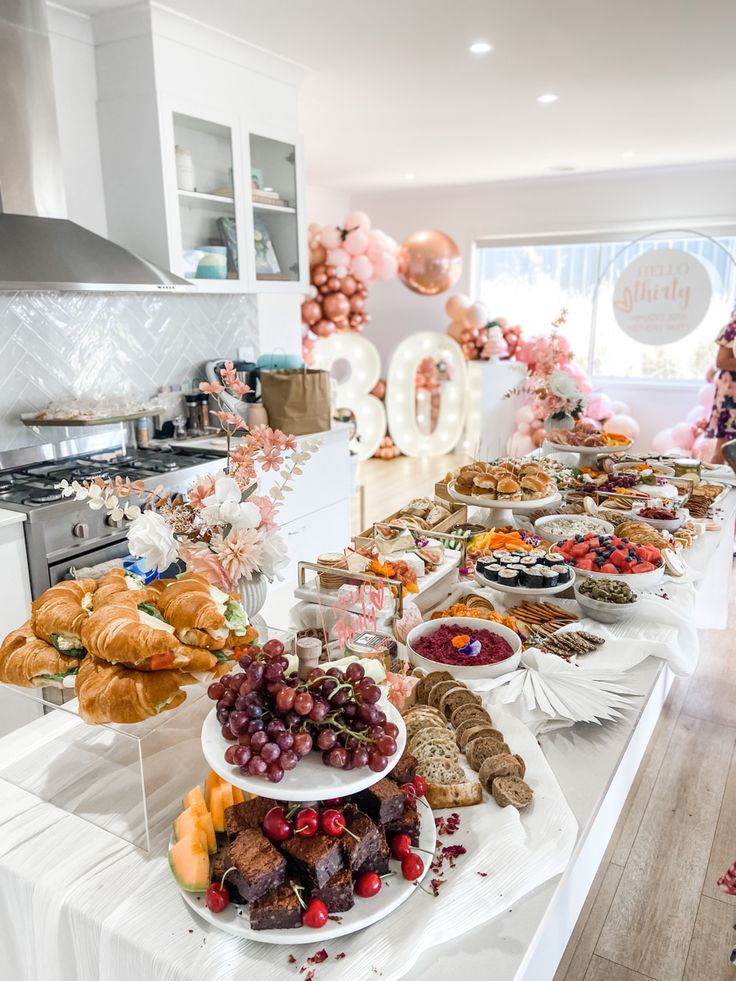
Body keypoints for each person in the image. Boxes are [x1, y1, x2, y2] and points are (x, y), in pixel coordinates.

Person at [705, 312, 736, 463]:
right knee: (724, 447)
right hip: (731, 395)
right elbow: (721, 361)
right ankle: (713, 485)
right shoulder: (732, 328)